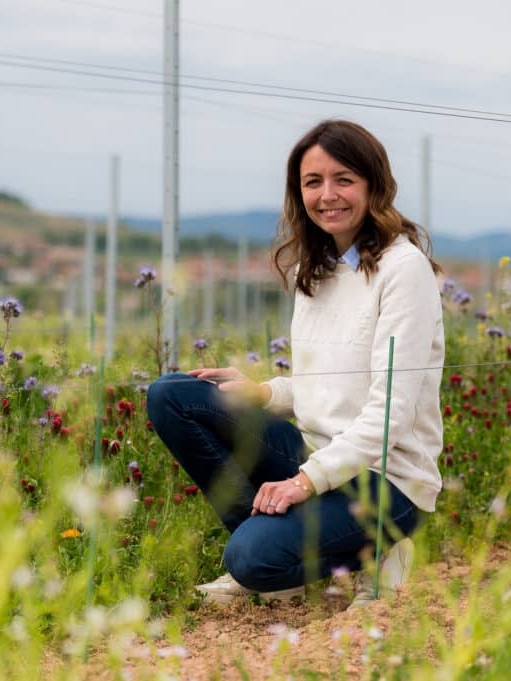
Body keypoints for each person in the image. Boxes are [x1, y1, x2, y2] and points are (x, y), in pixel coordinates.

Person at [147, 119, 445, 607]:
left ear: (374, 185)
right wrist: (264, 394)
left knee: (248, 559)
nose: (328, 195)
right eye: (313, 182)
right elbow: (323, 384)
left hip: (387, 478)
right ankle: (281, 562)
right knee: (173, 396)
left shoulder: (402, 270)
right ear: (298, 192)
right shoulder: (317, 268)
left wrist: (303, 483)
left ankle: (375, 547)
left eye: (344, 179)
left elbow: (390, 415)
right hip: (315, 454)